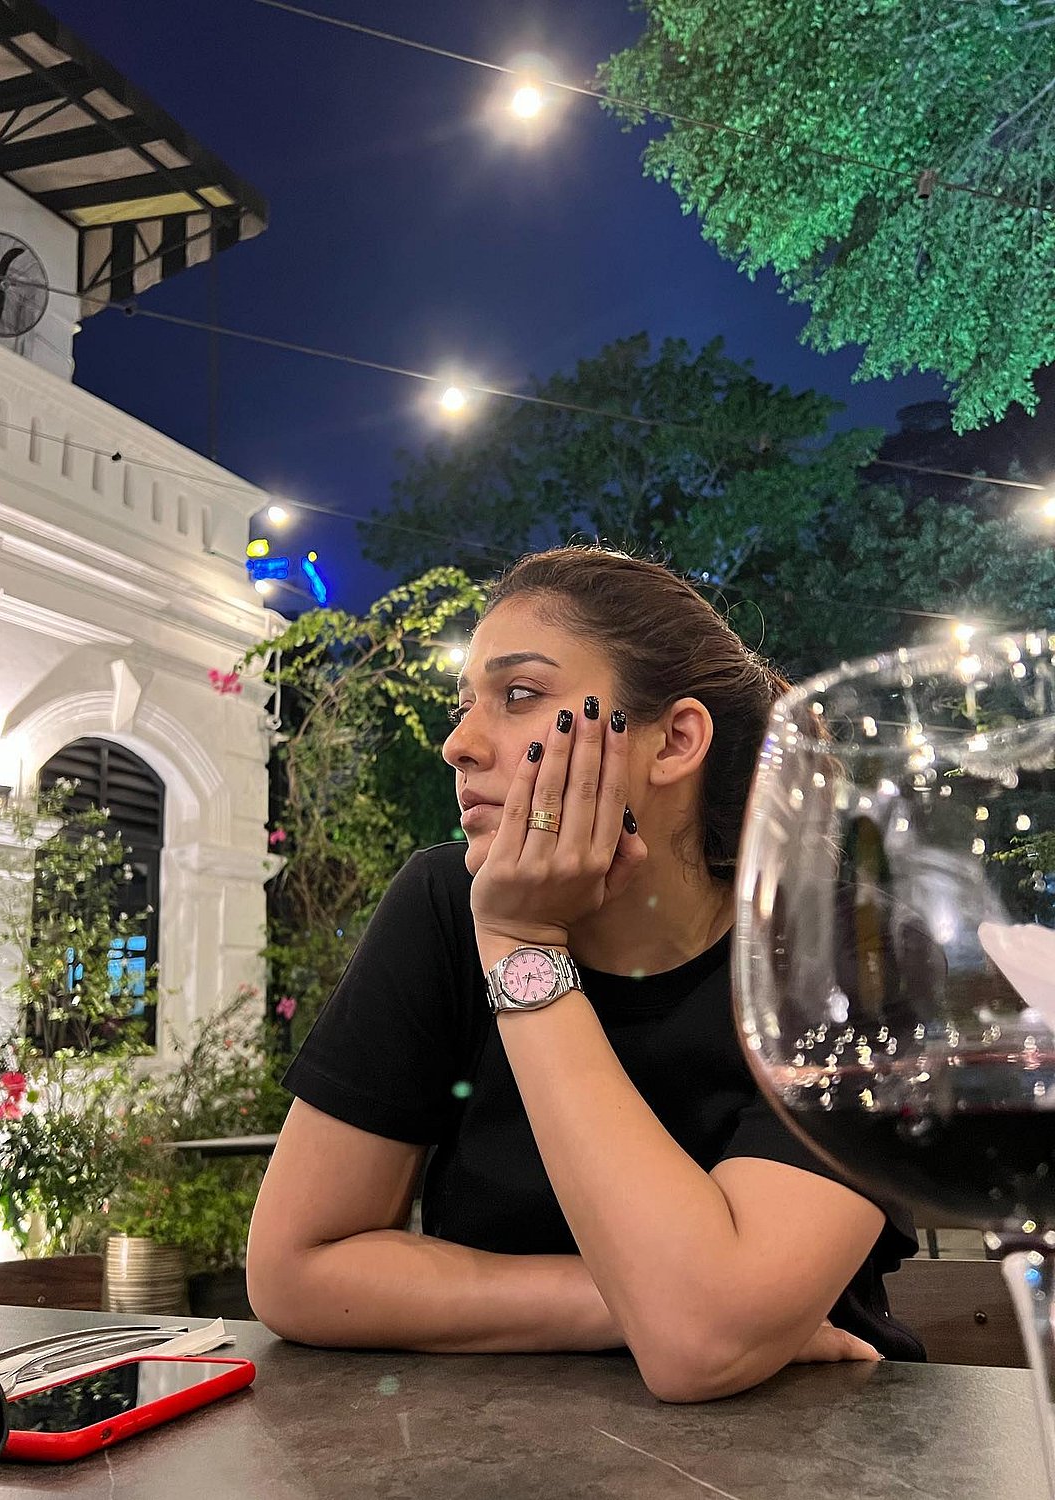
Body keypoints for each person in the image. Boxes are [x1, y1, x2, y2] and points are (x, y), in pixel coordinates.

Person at [247, 545, 923, 1401]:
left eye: (519, 695)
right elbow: (296, 1270)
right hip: (487, 1442)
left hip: (820, 1440)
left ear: (675, 741)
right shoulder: (444, 905)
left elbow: (700, 1347)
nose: (458, 745)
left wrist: (523, 946)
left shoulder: (847, 950)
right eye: (464, 705)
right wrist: (632, 1302)